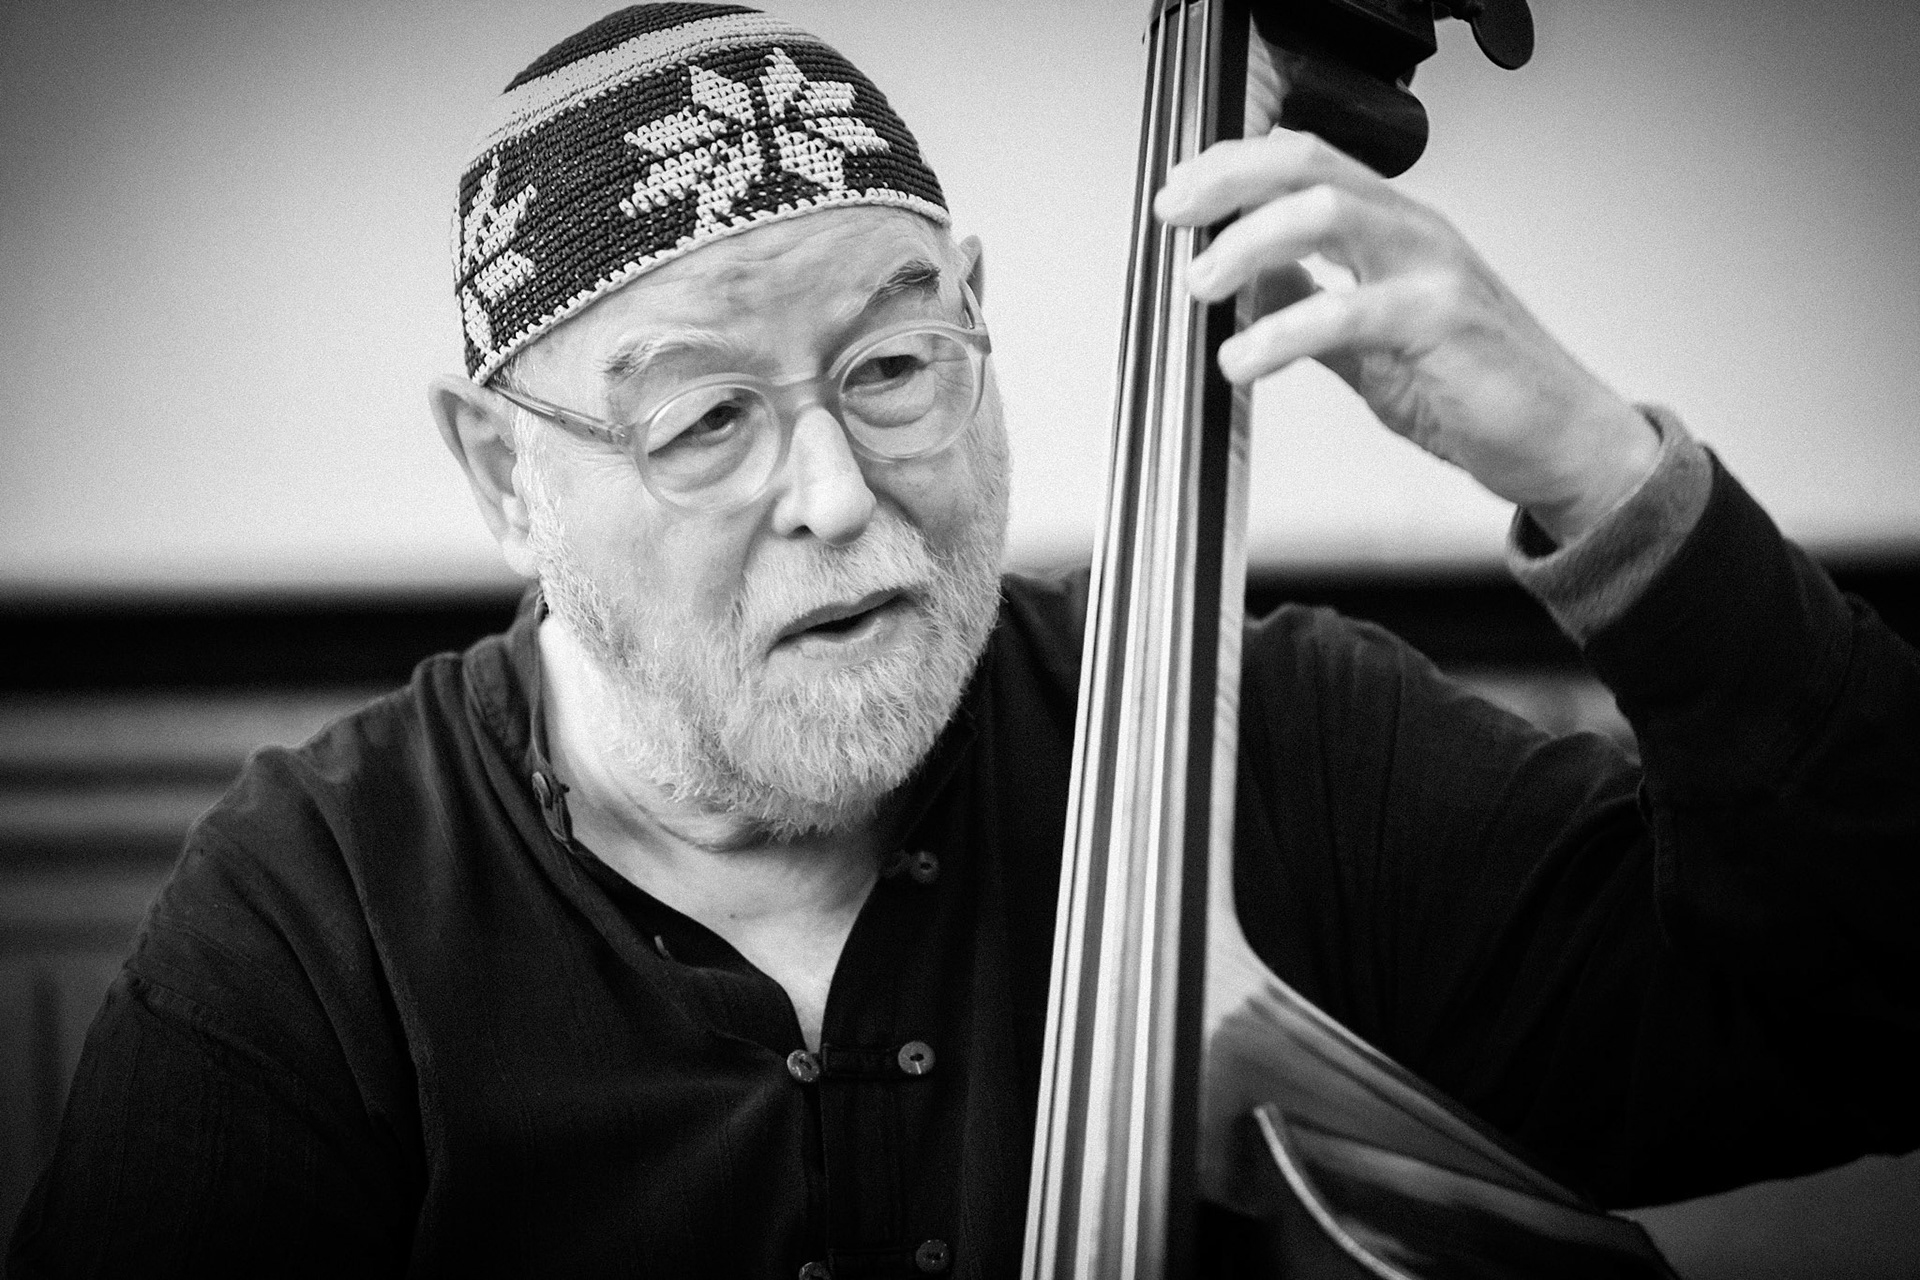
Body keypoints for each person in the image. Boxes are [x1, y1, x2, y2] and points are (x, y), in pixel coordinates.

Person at [10, 4, 1916, 1276]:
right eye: (703, 423)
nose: (836, 491)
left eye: (897, 365)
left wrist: (1592, 464)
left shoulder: (1273, 750)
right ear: (502, 471)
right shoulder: (313, 919)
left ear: (980, 322)